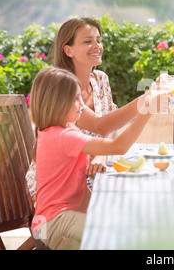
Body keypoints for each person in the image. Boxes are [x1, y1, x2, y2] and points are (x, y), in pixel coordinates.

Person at [30, 67, 155, 249]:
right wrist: (146, 112)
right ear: (56, 103)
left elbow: (101, 146)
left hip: (51, 219)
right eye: (75, 99)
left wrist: (98, 159)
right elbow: (118, 146)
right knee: (118, 235)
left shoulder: (56, 131)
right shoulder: (64, 137)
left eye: (80, 96)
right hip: (55, 221)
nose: (82, 103)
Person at [26, 17, 149, 201]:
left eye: (98, 40)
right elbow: (100, 126)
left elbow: (112, 126)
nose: (96, 46)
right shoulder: (61, 88)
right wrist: (147, 100)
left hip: (92, 173)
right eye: (87, 41)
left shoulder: (100, 79)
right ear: (68, 50)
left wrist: (100, 155)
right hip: (59, 187)